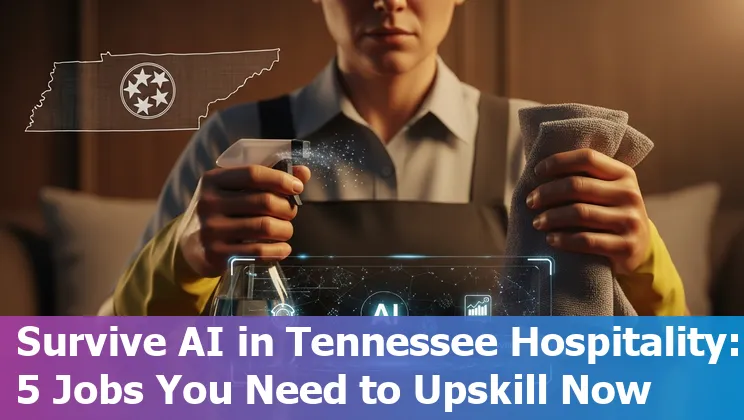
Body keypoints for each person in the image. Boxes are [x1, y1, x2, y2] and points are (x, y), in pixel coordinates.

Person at [106, 0, 687, 316]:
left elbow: (658, 370)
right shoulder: (233, 143)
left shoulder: (541, 149)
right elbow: (113, 361)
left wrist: (642, 262)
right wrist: (183, 257)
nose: (389, 2)